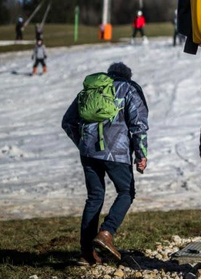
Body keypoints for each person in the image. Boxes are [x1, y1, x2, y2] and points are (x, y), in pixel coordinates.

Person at [61, 62, 148, 265]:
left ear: (109, 75)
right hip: (116, 152)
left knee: (94, 197)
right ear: (128, 75)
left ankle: (86, 254)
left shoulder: (91, 89)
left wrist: (83, 143)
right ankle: (106, 233)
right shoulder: (129, 88)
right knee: (126, 192)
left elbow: (67, 121)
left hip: (89, 152)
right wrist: (141, 154)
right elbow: (139, 124)